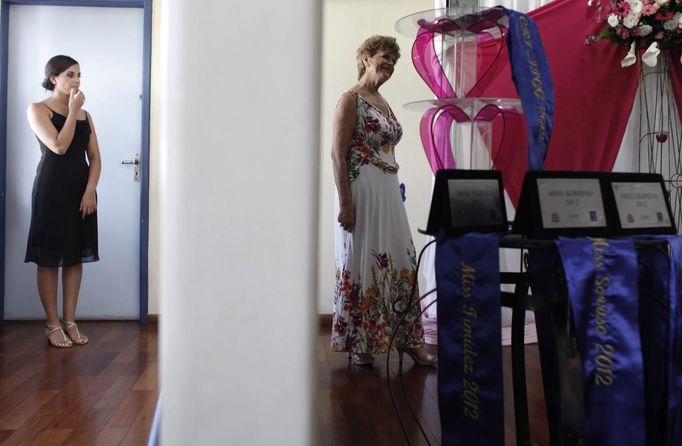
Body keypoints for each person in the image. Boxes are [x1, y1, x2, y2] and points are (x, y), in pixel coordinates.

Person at [330, 35, 436, 367]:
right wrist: (346, 204)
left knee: (402, 260)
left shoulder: (382, 101)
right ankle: (361, 340)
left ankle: (408, 339)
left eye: (394, 59)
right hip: (362, 190)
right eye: (383, 57)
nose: (389, 63)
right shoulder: (350, 100)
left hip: (389, 190)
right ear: (364, 58)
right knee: (366, 260)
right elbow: (337, 156)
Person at [25, 55, 101, 348]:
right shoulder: (37, 110)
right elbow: (59, 146)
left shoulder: (86, 115)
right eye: (70, 74)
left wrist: (90, 189)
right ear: (53, 78)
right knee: (49, 257)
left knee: (73, 255)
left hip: (80, 191)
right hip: (51, 191)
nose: (77, 80)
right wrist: (71, 111)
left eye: (79, 74)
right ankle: (52, 324)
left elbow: (94, 157)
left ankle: (70, 321)